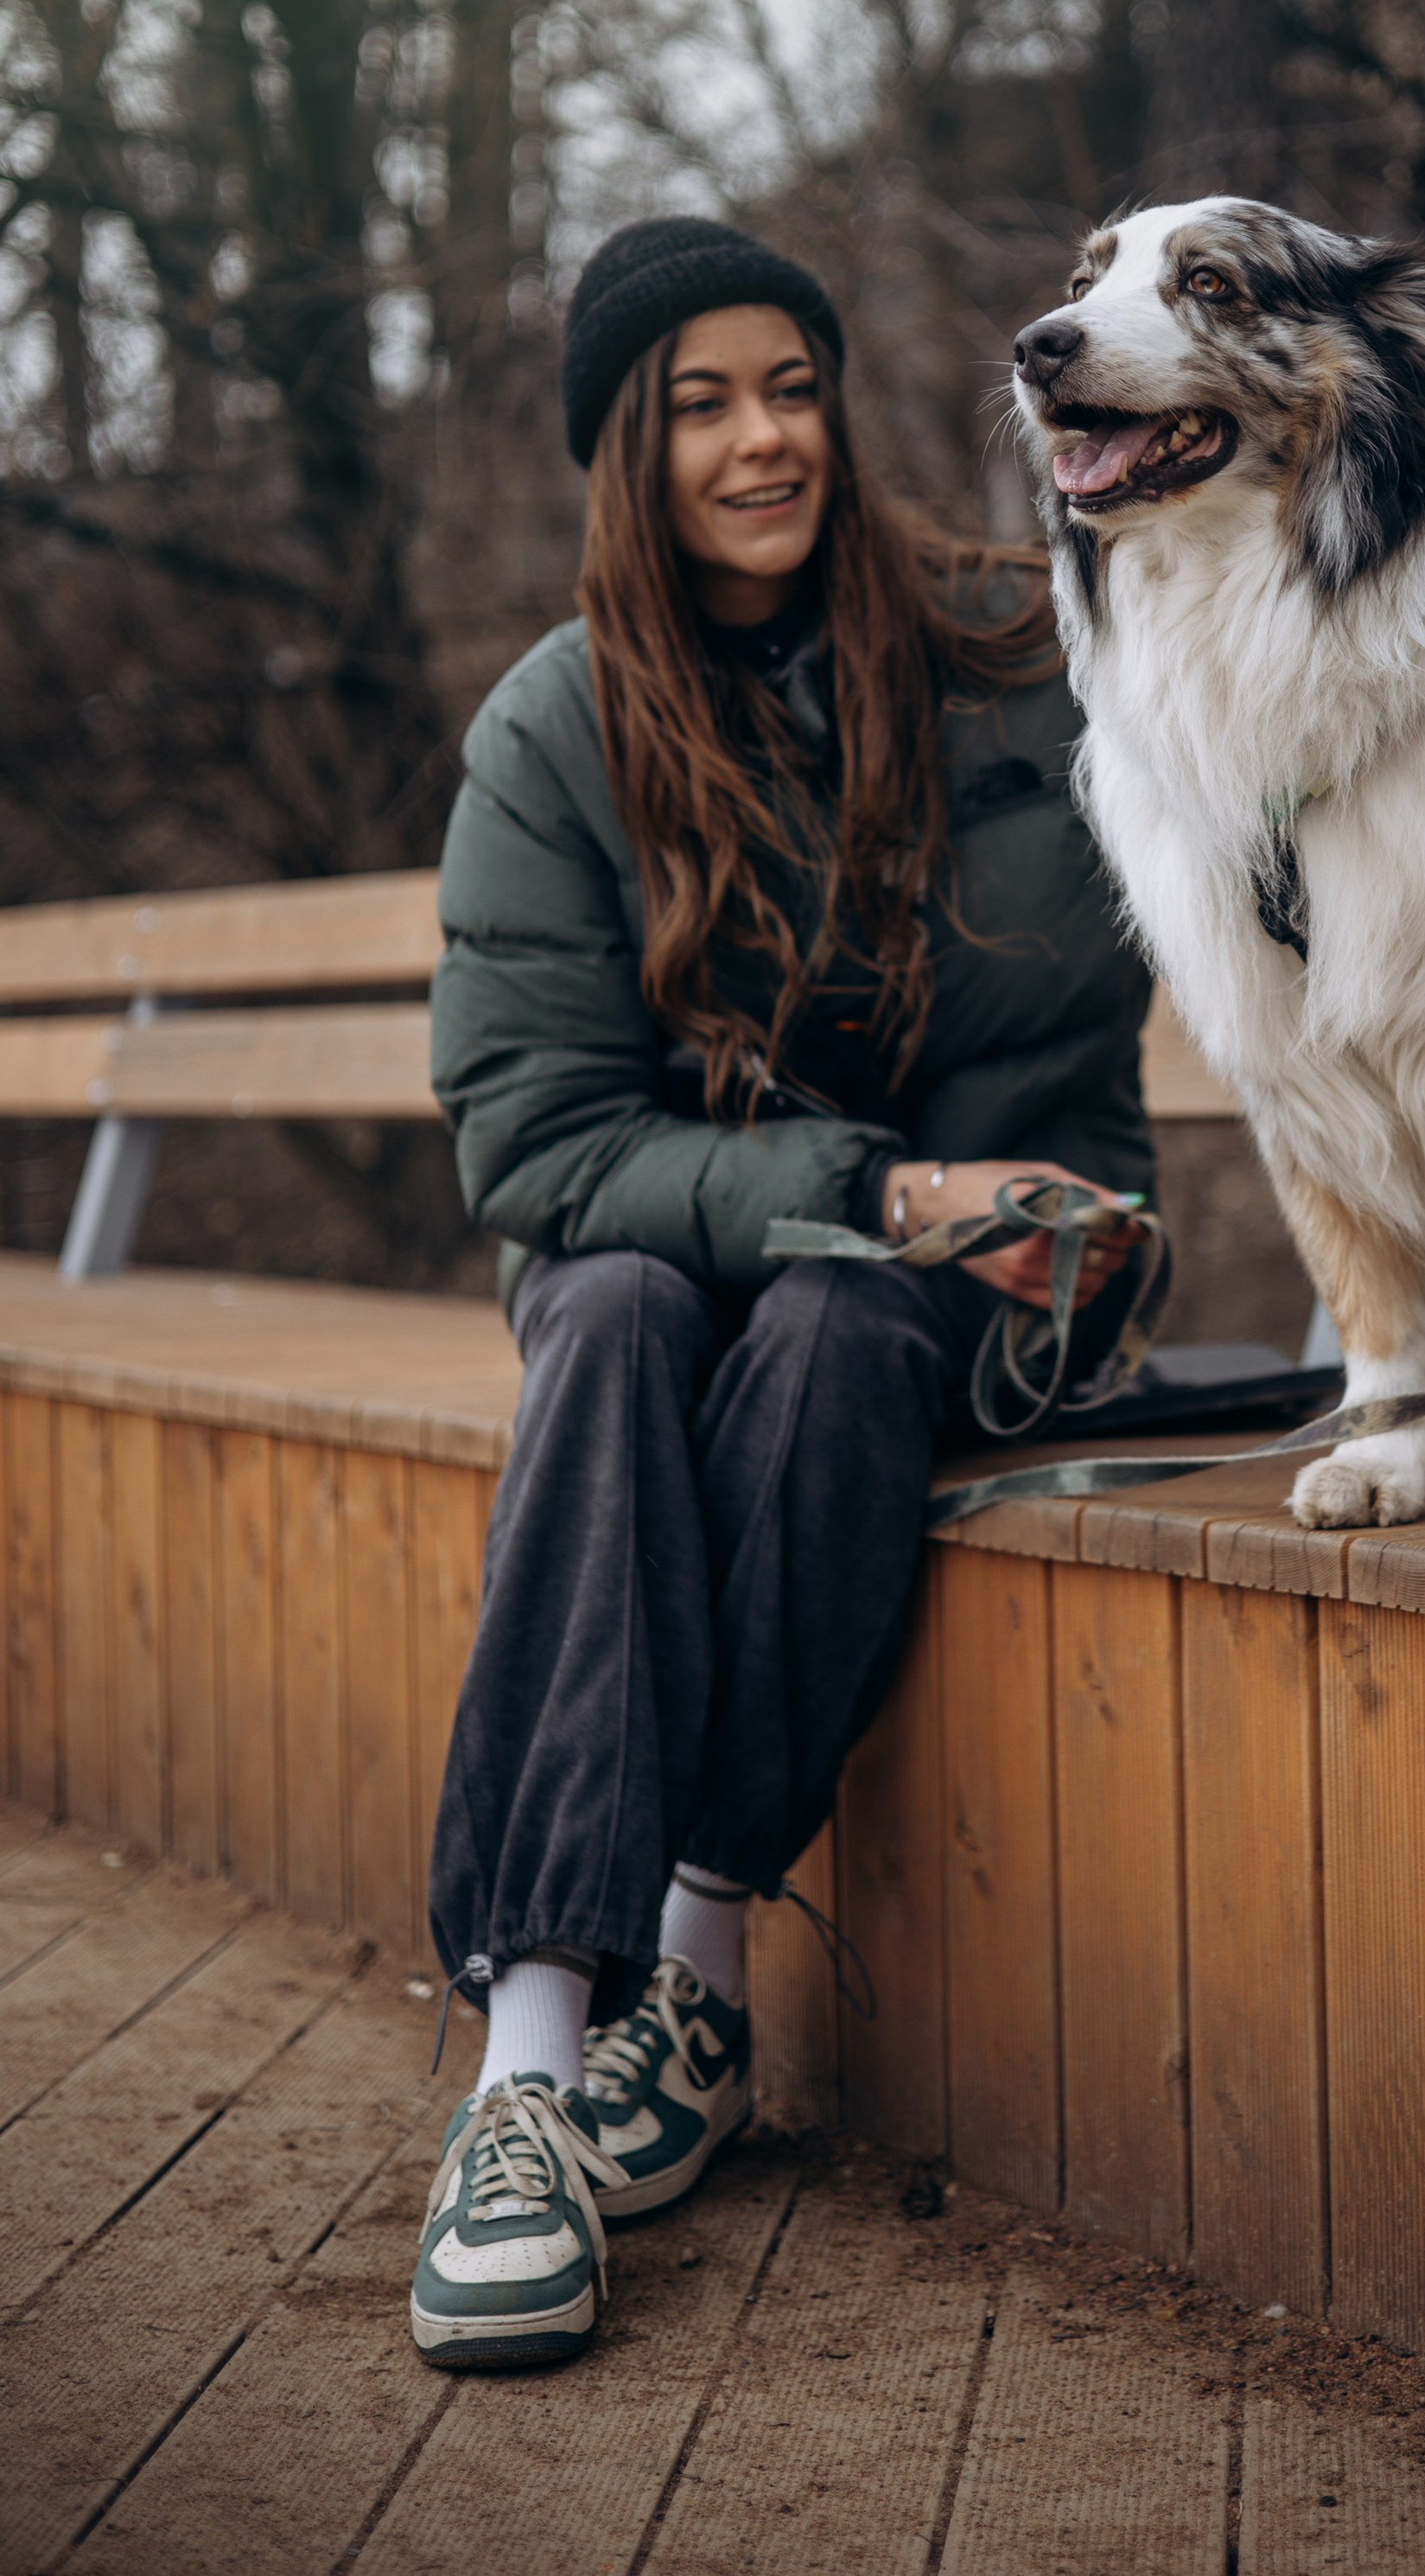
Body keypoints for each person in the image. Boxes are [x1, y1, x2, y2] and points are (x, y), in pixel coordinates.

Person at [410, 218, 1149, 2369]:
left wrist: (1069, 1220)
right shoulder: (556, 732)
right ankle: (530, 2074)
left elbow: (1276, 738)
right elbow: (537, 1151)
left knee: (834, 1329)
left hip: (967, 1297)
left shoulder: (1020, 650)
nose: (762, 442)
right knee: (626, 1309)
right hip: (671, 1275)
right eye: (703, 405)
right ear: (627, 455)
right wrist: (872, 1182)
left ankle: (699, 1975)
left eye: (791, 387)